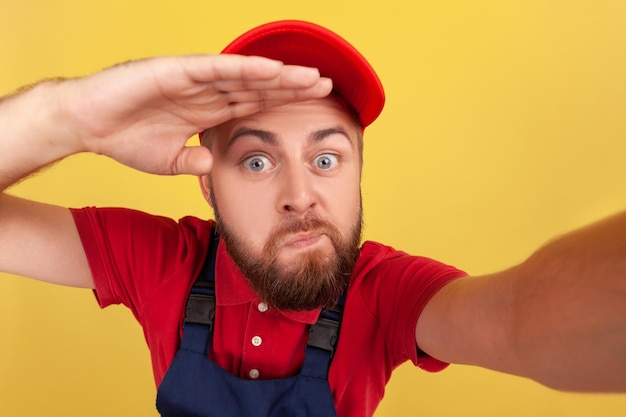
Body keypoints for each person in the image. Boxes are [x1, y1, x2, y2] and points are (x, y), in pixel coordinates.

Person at [0, 19, 625, 417]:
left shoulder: (388, 294)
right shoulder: (158, 261)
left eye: (326, 157)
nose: (301, 195)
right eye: (255, 162)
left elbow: (524, 319)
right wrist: (65, 117)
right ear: (206, 185)